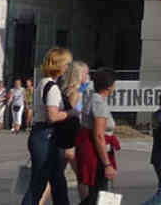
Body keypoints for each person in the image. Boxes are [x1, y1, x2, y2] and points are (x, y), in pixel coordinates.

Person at [20, 48, 77, 205]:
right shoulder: (51, 87)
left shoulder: (43, 83)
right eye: (66, 64)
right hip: (46, 136)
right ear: (58, 65)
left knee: (57, 179)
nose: (67, 68)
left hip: (44, 135)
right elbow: (52, 116)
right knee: (39, 182)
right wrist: (71, 113)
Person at [77, 69, 120, 205]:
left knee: (95, 194)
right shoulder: (99, 103)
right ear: (109, 86)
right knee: (97, 195)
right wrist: (107, 164)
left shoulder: (93, 99)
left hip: (92, 151)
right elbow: (99, 135)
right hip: (96, 154)